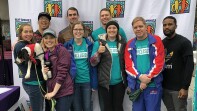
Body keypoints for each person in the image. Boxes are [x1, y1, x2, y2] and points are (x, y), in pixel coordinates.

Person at [124, 17, 165, 111]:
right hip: (136, 86)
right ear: (133, 29)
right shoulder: (130, 44)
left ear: (146, 27)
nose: (138, 29)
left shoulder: (156, 40)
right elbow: (128, 65)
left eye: (140, 26)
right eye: (135, 27)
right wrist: (139, 77)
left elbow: (159, 63)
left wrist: (146, 79)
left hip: (152, 85)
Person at [90, 21, 127, 111]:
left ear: (117, 30)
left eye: (114, 28)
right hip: (105, 82)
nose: (112, 30)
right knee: (107, 108)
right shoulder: (98, 43)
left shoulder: (123, 43)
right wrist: (98, 52)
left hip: (119, 82)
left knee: (118, 107)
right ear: (106, 30)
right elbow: (92, 62)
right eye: (109, 28)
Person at [162, 16, 194, 111]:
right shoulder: (161, 43)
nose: (167, 27)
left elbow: (189, 66)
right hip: (164, 87)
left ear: (176, 26)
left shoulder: (184, 42)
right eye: (164, 25)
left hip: (178, 89)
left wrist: (185, 87)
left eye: (170, 24)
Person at [64, 21, 97, 111]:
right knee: (76, 108)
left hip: (87, 81)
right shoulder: (67, 45)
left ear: (84, 31)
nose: (78, 31)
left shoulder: (89, 45)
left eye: (80, 29)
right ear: (72, 31)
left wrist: (94, 83)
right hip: (73, 82)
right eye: (76, 29)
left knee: (87, 107)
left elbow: (93, 65)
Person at [41, 28, 74, 111]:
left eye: (51, 38)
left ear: (56, 39)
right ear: (43, 40)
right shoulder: (47, 53)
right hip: (54, 91)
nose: (48, 40)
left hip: (63, 91)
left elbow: (62, 74)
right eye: (46, 38)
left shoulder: (62, 51)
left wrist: (53, 92)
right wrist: (45, 71)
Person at [14, 24, 44, 111]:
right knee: (37, 108)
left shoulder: (29, 44)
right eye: (26, 32)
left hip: (36, 81)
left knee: (38, 107)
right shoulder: (20, 46)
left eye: (30, 31)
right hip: (32, 83)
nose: (29, 34)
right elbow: (30, 63)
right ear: (20, 33)